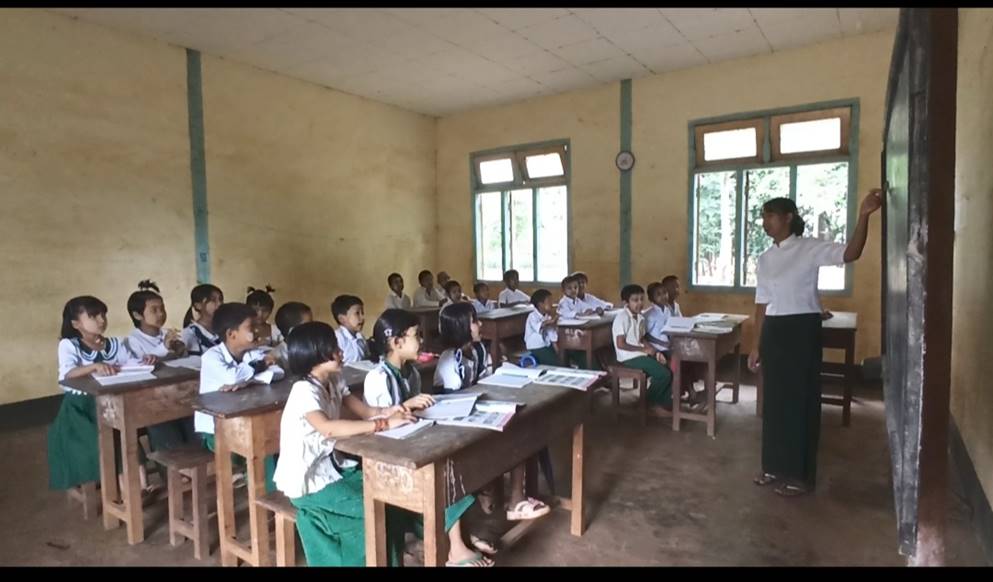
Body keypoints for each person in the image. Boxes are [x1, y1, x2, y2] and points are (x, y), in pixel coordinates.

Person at [748, 190, 882, 497]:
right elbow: (761, 304)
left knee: (801, 401)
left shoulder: (809, 248)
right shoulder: (765, 259)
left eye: (771, 216)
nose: (765, 222)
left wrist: (863, 215)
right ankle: (773, 466)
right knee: (775, 402)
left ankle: (800, 475)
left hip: (801, 330)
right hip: (775, 332)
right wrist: (756, 344)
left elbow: (851, 253)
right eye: (764, 216)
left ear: (788, 218)